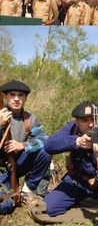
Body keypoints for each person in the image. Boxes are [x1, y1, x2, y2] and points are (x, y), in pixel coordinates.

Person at [41, 101, 98, 217]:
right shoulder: (71, 128)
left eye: (94, 119)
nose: (91, 124)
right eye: (85, 120)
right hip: (77, 183)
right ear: (77, 122)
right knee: (49, 208)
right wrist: (76, 141)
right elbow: (48, 146)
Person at [0, 80, 51, 215]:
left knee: (46, 151)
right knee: (6, 206)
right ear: (6, 96)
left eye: (20, 95)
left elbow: (44, 140)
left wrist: (22, 145)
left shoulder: (29, 119)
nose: (16, 99)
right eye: (12, 94)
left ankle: (27, 190)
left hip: (17, 165)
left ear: (25, 98)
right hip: (1, 169)